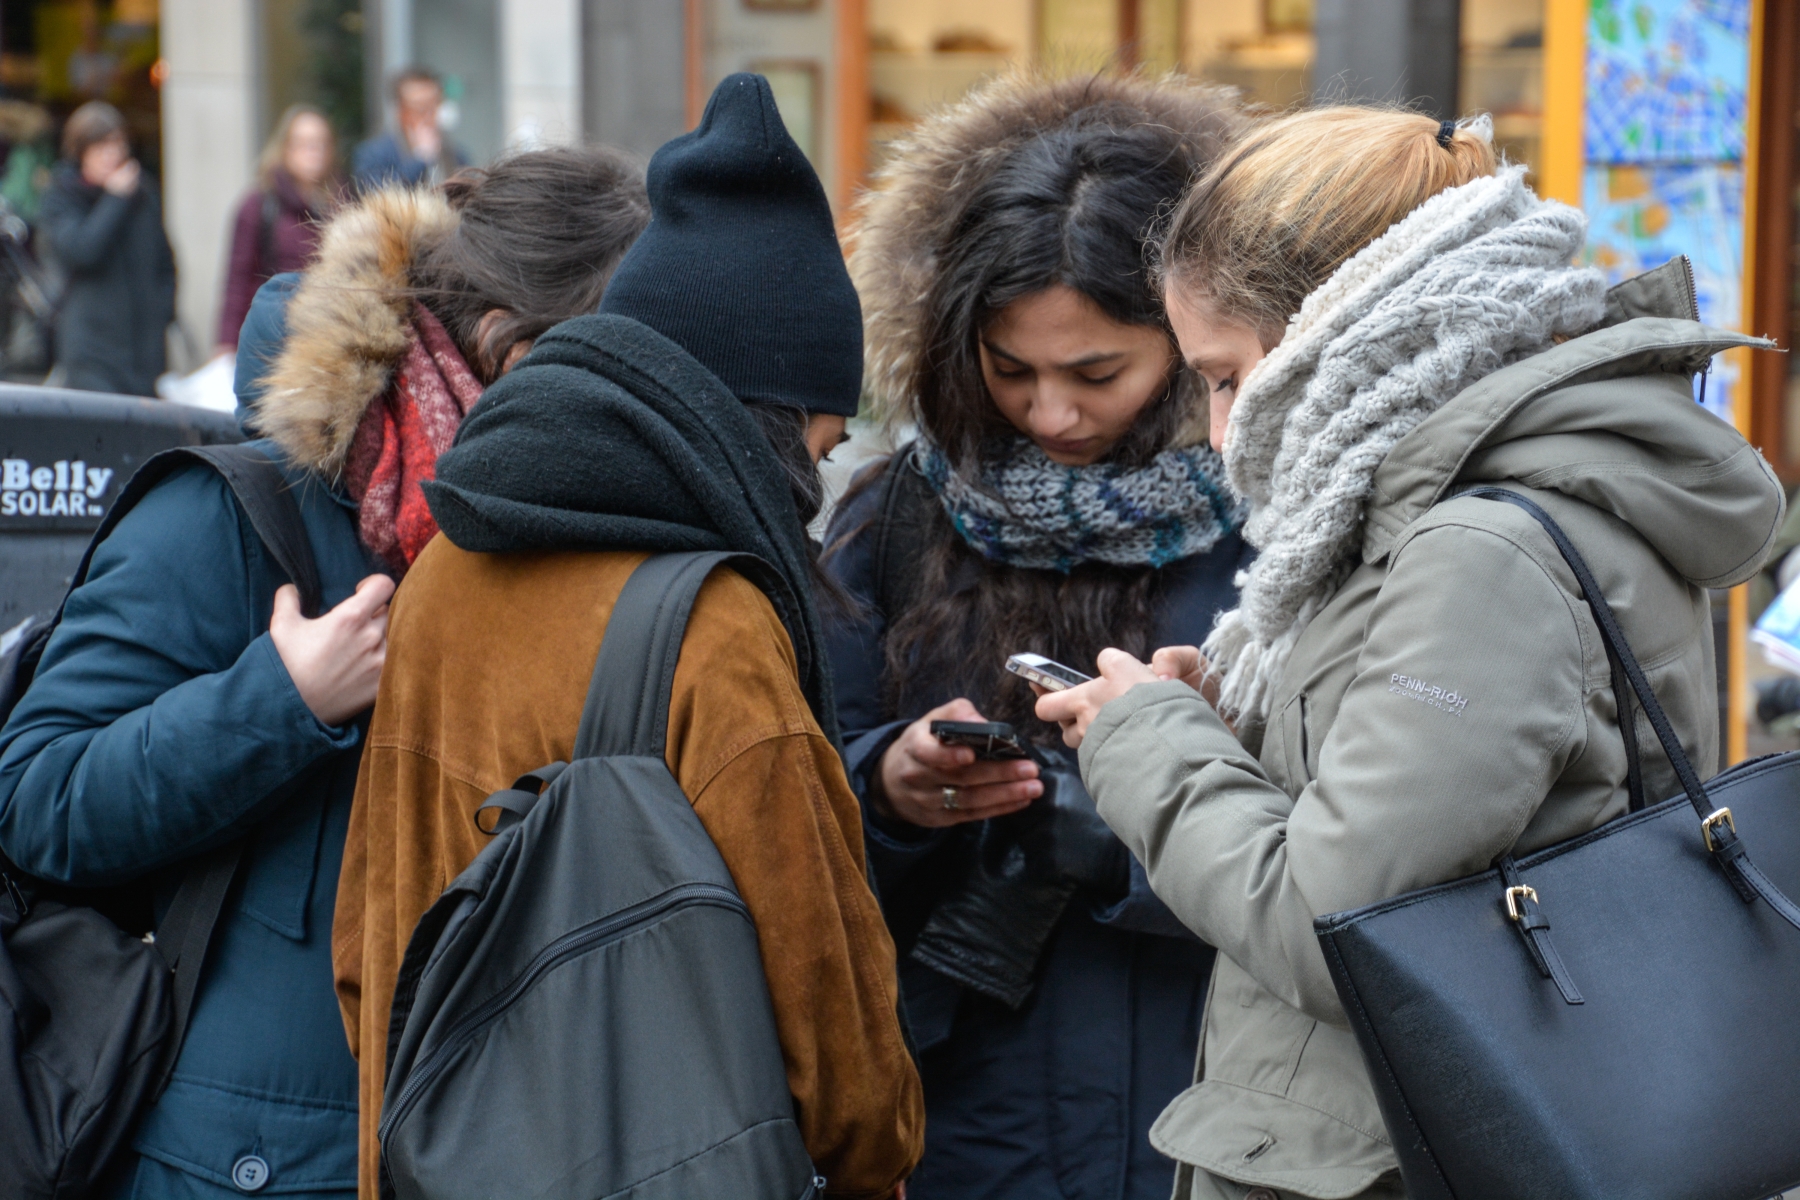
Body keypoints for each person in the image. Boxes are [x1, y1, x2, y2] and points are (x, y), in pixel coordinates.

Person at [1036, 108, 1788, 1200]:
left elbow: (1330, 920)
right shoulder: (1465, 504)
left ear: (1348, 332)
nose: (1216, 430)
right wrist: (1218, 729)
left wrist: (1144, 743)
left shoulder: (1479, 548)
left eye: (1230, 376)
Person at [0, 146, 648, 1200]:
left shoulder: (562, 528)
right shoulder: (243, 504)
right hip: (254, 1159)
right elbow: (38, 796)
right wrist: (285, 701)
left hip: (489, 1135)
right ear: (508, 350)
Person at [333, 74, 924, 1200]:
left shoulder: (448, 565)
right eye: (824, 437)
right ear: (761, 420)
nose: (821, 474)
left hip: (429, 1160)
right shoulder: (713, 625)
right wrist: (882, 1151)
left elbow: (365, 955)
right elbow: (829, 1015)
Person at [821, 74, 1249, 1200]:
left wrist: (1132, 828)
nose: (1050, 415)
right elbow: (800, 794)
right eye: (1009, 372)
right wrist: (891, 787)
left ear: (1196, 337)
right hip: (975, 1120)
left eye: (1097, 373)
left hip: (1221, 1107)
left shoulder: (1287, 524)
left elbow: (1354, 849)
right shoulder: (902, 514)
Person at [38, 99, 175, 396]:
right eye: (101, 148)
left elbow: (165, 263)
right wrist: (114, 200)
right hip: (92, 354)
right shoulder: (62, 197)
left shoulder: (143, 194)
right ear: (80, 152)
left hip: (143, 354)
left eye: (118, 145)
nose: (112, 156)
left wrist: (160, 314)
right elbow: (83, 251)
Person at [217, 105, 341, 353]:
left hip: (326, 342)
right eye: (304, 143)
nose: (313, 152)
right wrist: (227, 344)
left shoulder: (339, 203)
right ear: (285, 148)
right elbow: (238, 279)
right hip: (271, 341)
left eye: (320, 143)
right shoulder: (260, 204)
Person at [352, 68, 467, 192]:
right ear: (400, 112)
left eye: (435, 107)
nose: (430, 117)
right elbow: (379, 194)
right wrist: (420, 159)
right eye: (421, 109)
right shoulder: (373, 154)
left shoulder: (454, 155)